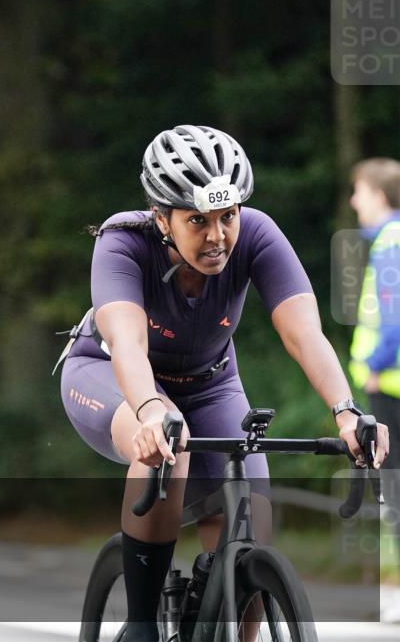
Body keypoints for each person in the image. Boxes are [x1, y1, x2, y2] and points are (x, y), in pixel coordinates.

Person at [57, 125, 391, 642]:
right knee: (169, 446)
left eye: (227, 216)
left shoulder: (257, 233)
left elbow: (304, 332)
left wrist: (346, 412)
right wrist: (150, 410)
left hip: (211, 384)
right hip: (110, 375)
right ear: (162, 218)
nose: (217, 236)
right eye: (198, 220)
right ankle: (142, 627)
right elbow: (128, 343)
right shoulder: (122, 241)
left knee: (251, 524)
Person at [347, 156, 400, 568]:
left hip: (389, 385)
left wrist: (375, 368)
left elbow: (395, 318)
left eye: (359, 192)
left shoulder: (390, 241)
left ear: (379, 196)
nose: (353, 201)